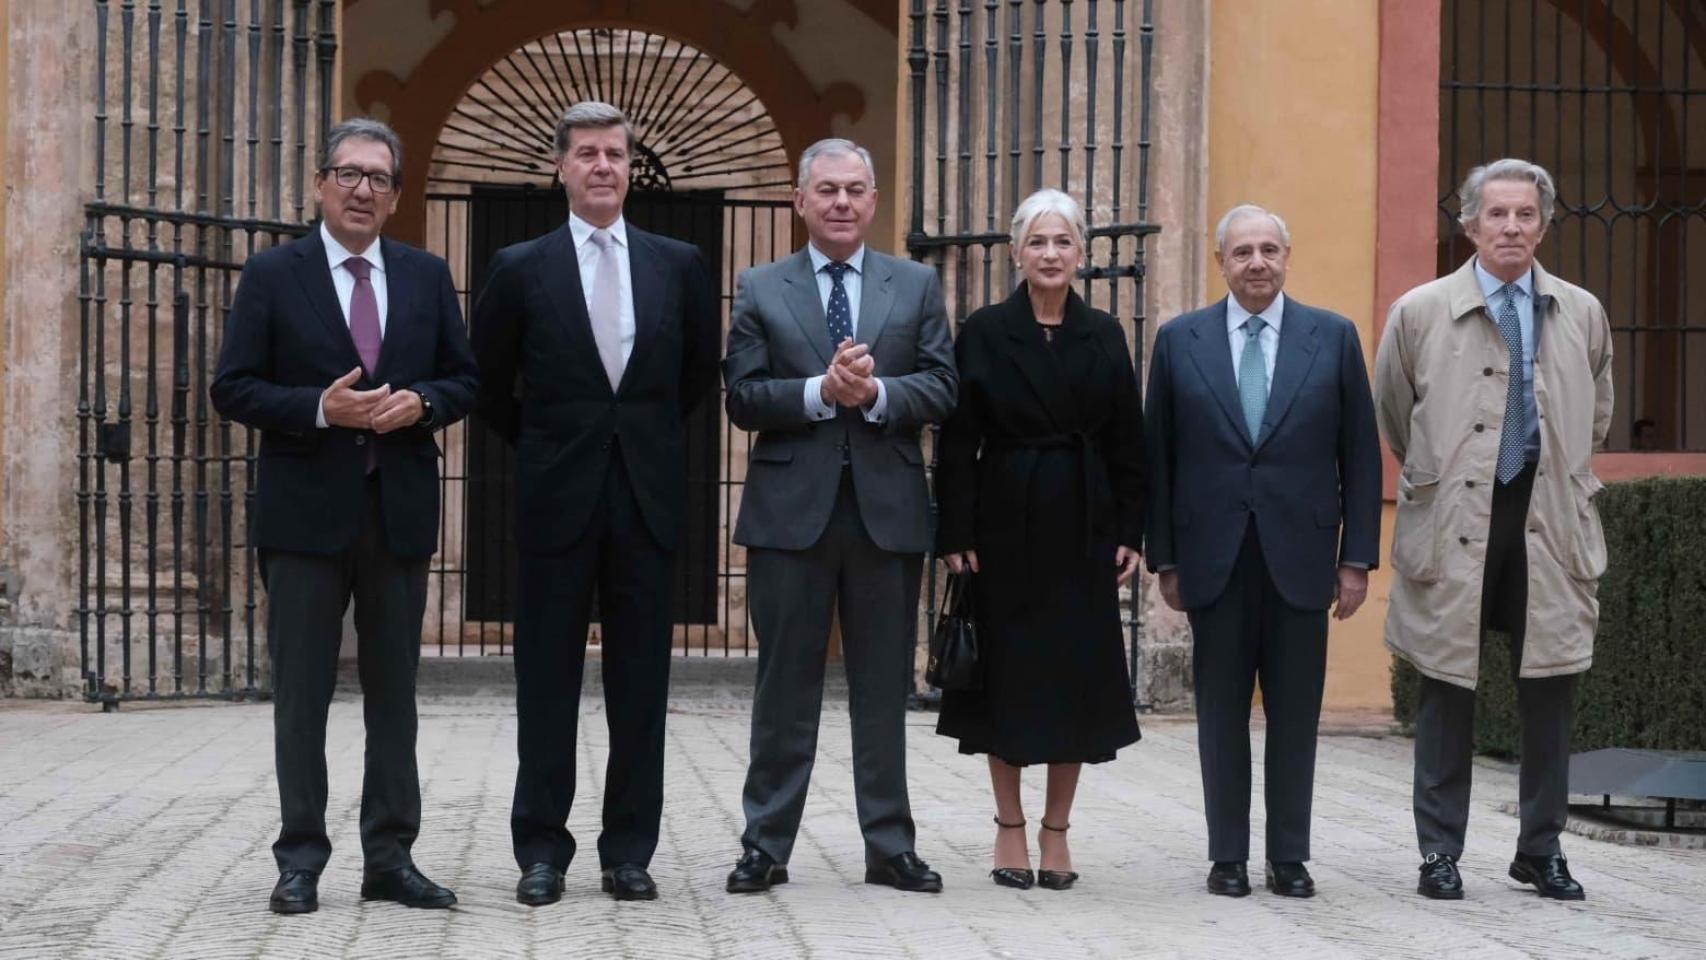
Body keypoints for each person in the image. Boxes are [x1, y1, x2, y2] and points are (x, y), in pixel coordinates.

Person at [210, 118, 478, 915]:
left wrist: (422, 403)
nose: (363, 189)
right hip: (304, 519)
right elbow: (234, 386)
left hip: (397, 513)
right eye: (348, 174)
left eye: (379, 178)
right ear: (320, 184)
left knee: (395, 696)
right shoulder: (272, 274)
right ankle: (299, 861)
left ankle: (390, 858)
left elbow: (466, 380)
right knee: (302, 695)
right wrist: (320, 410)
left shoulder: (427, 277)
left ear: (396, 197)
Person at [471, 101, 721, 905]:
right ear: (561, 168)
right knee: (545, 680)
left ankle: (629, 851)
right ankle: (541, 850)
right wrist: (552, 445)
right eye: (587, 154)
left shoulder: (679, 262)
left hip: (644, 497)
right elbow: (489, 383)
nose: (603, 166)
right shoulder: (519, 265)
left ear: (631, 165)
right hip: (555, 497)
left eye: (615, 153)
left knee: (641, 685)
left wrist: (631, 441)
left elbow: (692, 378)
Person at [721, 138, 958, 894]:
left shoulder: (915, 283)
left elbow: (942, 386)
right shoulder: (761, 286)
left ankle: (889, 846)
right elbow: (742, 398)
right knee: (783, 689)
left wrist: (877, 394)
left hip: (886, 516)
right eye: (827, 190)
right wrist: (821, 392)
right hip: (791, 516)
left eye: (856, 189)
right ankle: (766, 844)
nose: (843, 203)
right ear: (800, 200)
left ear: (875, 199)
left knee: (882, 689)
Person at [1376, 158, 1613, 902]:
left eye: (1526, 215)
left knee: (1550, 685)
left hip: (1547, 515)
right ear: (1469, 222)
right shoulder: (1420, 310)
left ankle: (1540, 850)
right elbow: (1395, 411)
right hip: (1455, 519)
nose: (1511, 226)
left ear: (1543, 224)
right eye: (1497, 214)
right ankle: (1439, 851)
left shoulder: (1581, 311)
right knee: (1447, 685)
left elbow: (1596, 411)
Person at [1145, 204, 1383, 899]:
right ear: (1221, 262)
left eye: (1269, 250)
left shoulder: (1332, 338)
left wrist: (1356, 558)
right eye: (1243, 251)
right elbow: (1159, 456)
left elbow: (1360, 458)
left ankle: (1289, 856)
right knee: (1219, 713)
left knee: (1295, 711)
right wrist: (1166, 557)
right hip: (1212, 556)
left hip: (1303, 556)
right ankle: (1227, 856)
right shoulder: (1180, 340)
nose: (1257, 262)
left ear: (1287, 255)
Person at [932, 188, 1145, 892]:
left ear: (1081, 253)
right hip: (1005, 524)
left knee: (1072, 681)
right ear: (1017, 252)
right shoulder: (987, 331)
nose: (1050, 254)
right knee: (1009, 679)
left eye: (1063, 242)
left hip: (1083, 527)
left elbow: (1128, 442)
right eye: (1038, 242)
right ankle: (1008, 826)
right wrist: (955, 529)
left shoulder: (1106, 333)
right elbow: (959, 441)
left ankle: (1056, 830)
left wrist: (1129, 532)